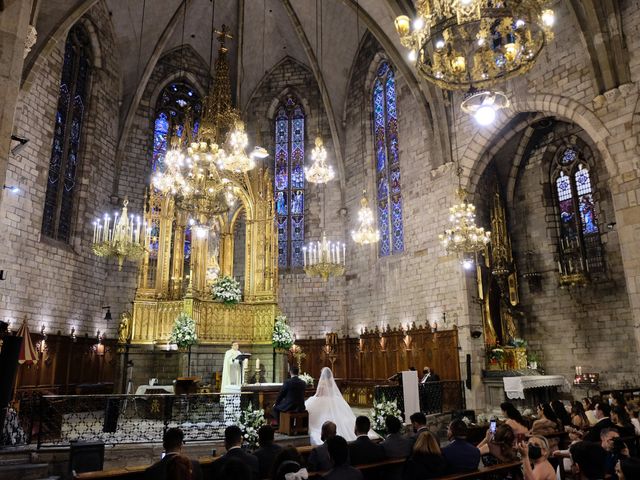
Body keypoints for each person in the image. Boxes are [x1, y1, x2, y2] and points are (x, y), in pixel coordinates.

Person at [305, 367, 357, 445]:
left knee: (309, 408)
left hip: (322, 400)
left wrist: (314, 397)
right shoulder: (331, 382)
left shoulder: (322, 382)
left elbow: (318, 393)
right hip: (333, 399)